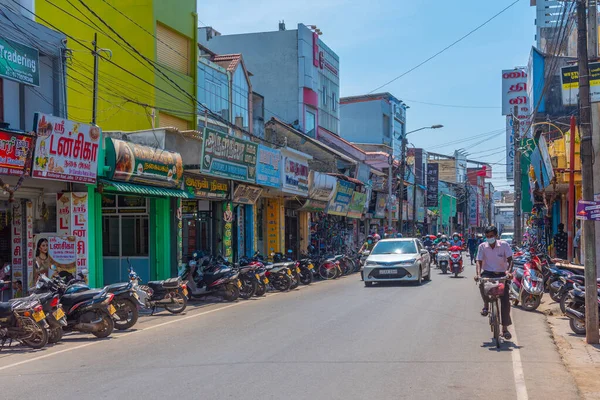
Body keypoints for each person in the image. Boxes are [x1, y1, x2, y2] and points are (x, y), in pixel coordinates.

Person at [475, 225, 513, 340]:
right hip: (488, 272)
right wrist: (478, 274)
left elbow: (511, 260)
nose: (489, 238)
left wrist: (509, 273)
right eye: (487, 236)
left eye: (491, 236)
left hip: (502, 274)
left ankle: (505, 329)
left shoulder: (504, 245)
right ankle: (486, 305)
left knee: (505, 300)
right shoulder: (482, 246)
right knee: (482, 284)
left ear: (496, 236)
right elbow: (478, 261)